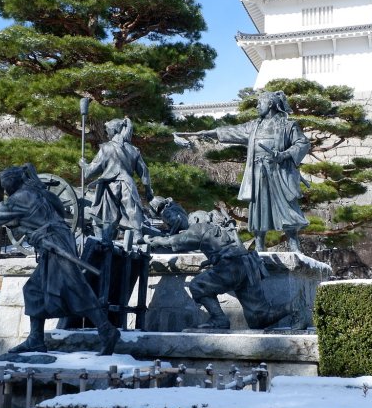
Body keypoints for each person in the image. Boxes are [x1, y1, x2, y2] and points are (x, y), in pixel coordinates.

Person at [0, 164, 120, 355]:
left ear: (12, 183)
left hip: (54, 243)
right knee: (33, 290)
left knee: (74, 286)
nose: (6, 189)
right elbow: (39, 215)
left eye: (6, 184)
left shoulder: (22, 196)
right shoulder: (39, 193)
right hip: (54, 241)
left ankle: (106, 330)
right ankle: (35, 339)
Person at [185, 91, 309, 252]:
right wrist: (210, 133)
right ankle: (259, 246)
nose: (257, 106)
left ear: (270, 104)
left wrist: (284, 154)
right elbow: (232, 131)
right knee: (258, 209)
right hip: (258, 171)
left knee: (287, 207)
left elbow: (302, 143)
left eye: (260, 103)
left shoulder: (288, 125)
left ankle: (294, 244)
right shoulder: (253, 126)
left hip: (279, 171)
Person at [145, 210, 295, 330]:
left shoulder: (200, 227)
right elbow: (226, 248)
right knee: (259, 318)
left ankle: (219, 319)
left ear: (196, 219)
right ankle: (294, 307)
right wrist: (211, 260)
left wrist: (155, 240)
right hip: (249, 266)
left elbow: (176, 241)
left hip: (232, 267)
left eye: (190, 224)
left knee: (198, 286)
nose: (189, 228)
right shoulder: (225, 229)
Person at [79, 117, 153, 243]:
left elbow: (91, 171)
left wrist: (84, 165)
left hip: (110, 185)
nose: (107, 133)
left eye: (108, 130)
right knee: (132, 211)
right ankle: (138, 237)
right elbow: (144, 171)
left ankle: (106, 241)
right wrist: (148, 190)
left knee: (109, 215)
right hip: (128, 184)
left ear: (113, 131)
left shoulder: (106, 148)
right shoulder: (133, 150)